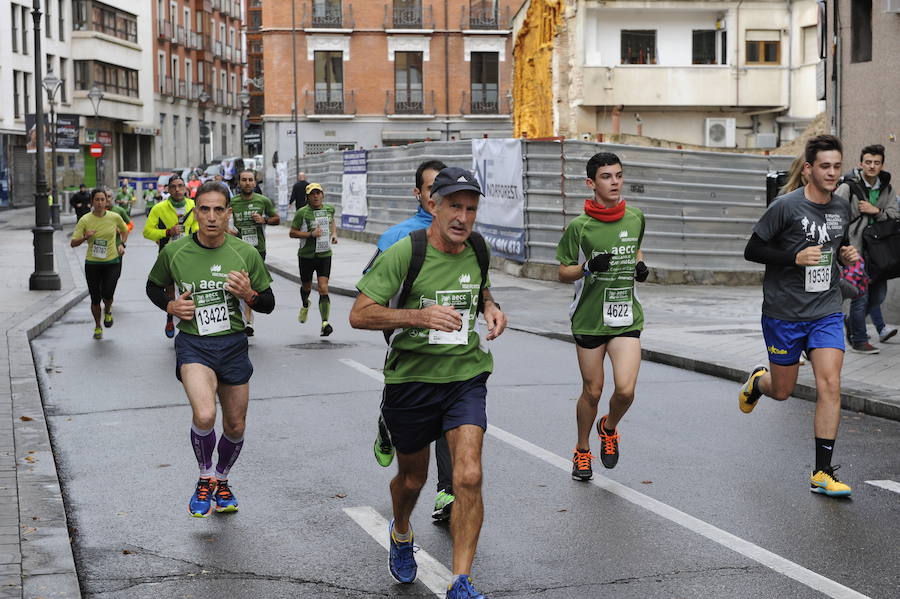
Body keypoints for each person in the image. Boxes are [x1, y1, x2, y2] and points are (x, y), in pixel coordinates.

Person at [349, 167, 507, 599]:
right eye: (455, 206)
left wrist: (492, 307)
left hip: (465, 374)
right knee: (413, 480)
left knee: (468, 474)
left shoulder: (477, 247)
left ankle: (461, 580)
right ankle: (401, 532)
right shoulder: (405, 252)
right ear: (433, 205)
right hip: (412, 379)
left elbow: (481, 290)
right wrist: (418, 315)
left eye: (471, 208)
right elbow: (360, 314)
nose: (463, 217)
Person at [739, 135, 860, 497]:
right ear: (808, 168)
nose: (832, 173)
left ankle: (822, 472)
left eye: (837, 166)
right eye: (825, 166)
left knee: (830, 384)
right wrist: (793, 258)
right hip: (784, 312)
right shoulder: (785, 207)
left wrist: (844, 256)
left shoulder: (841, 208)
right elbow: (752, 249)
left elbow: (833, 248)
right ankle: (758, 382)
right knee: (783, 390)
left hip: (825, 309)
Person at [145, 182, 275, 517]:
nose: (212, 217)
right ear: (196, 212)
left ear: (228, 213)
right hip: (194, 344)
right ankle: (204, 478)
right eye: (205, 209)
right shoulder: (175, 252)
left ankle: (222, 479)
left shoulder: (244, 253)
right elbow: (152, 286)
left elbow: (268, 304)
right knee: (205, 414)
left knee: (235, 426)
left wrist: (249, 294)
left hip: (232, 346)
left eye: (219, 210)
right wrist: (171, 307)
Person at [368, 159, 457, 522]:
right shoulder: (395, 237)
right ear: (417, 193)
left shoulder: (462, 234)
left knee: (449, 415)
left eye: (444, 187)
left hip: (450, 343)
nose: (437, 195)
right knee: (413, 414)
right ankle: (388, 421)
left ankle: (447, 492)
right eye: (430, 188)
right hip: (406, 340)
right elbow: (369, 294)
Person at [555, 152, 648, 481]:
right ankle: (582, 449)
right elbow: (563, 272)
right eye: (607, 177)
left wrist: (639, 265)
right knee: (593, 391)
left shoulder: (635, 217)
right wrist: (586, 268)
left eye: (619, 176)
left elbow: (634, 245)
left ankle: (608, 427)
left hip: (625, 318)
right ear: (591, 183)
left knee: (625, 390)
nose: (615, 182)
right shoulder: (580, 228)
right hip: (590, 318)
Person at [834, 144, 899, 354]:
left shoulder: (887, 188)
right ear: (861, 163)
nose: (872, 166)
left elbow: (894, 215)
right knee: (860, 296)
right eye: (868, 162)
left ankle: (850, 323)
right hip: (856, 250)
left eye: (876, 163)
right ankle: (860, 339)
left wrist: (876, 211)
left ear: (882, 165)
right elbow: (835, 216)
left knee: (878, 296)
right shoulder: (848, 187)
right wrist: (842, 248)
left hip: (880, 252)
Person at [143, 175, 200, 338]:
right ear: (168, 189)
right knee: (169, 289)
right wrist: (167, 232)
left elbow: (197, 225)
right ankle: (169, 318)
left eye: (180, 186)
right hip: (168, 254)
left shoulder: (193, 205)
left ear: (185, 188)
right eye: (173, 186)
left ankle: (192, 319)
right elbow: (147, 231)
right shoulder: (159, 208)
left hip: (190, 253)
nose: (177, 189)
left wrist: (195, 232)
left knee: (190, 287)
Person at [70, 188, 129, 339]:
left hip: (112, 262)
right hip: (93, 264)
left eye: (103, 199)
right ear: (92, 202)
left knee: (108, 294)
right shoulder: (85, 220)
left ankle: (108, 311)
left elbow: (125, 229)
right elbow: (73, 243)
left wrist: (122, 244)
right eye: (97, 199)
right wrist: (85, 237)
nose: (100, 202)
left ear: (106, 201)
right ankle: (97, 326)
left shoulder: (114, 217)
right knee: (95, 299)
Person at [229, 169, 279, 336]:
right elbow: (224, 221)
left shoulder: (263, 201)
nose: (247, 183)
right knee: (241, 284)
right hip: (237, 250)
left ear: (255, 182)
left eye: (250, 180)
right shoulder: (233, 202)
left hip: (257, 250)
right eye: (244, 180)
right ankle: (246, 320)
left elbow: (276, 219)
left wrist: (264, 220)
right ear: (239, 182)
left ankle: (248, 320)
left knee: (250, 285)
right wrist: (229, 231)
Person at [289, 183, 337, 336]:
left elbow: (332, 220)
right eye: (312, 194)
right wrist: (310, 234)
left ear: (322, 195)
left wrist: (334, 234)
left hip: (324, 255)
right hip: (306, 256)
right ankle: (305, 304)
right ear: (307, 197)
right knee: (307, 288)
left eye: (318, 193)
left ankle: (325, 323)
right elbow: (292, 233)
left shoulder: (329, 209)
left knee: (323, 288)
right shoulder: (302, 213)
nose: (315, 196)